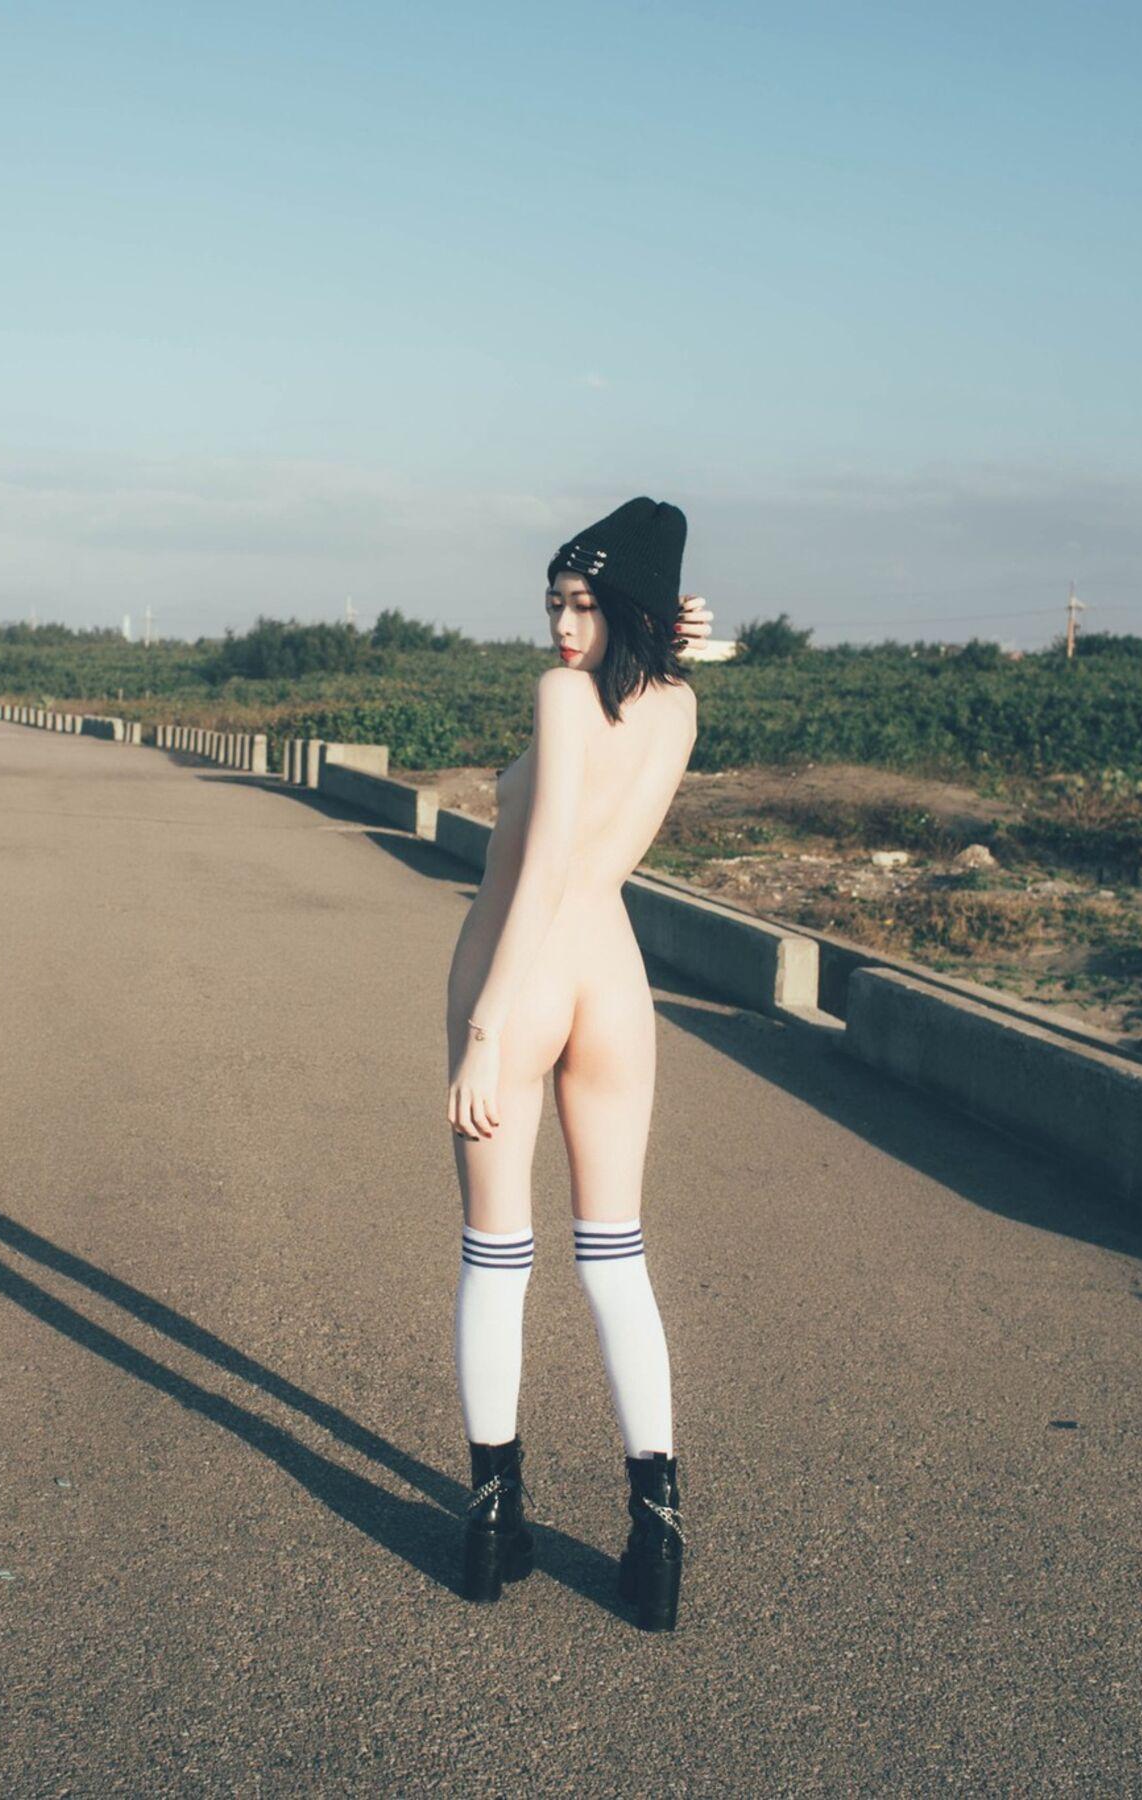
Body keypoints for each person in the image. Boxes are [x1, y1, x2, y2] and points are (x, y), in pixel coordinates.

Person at [444, 497, 705, 1630]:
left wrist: (488, 1028)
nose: (560, 626)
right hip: (618, 983)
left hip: (527, 974)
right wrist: (663, 630)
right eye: (553, 601)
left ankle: (492, 1524)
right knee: (615, 1259)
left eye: (585, 604)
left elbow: (545, 858)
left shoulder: (563, 696)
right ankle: (658, 1537)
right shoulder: (678, 706)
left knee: (497, 1259)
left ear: (626, 607)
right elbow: (603, 777)